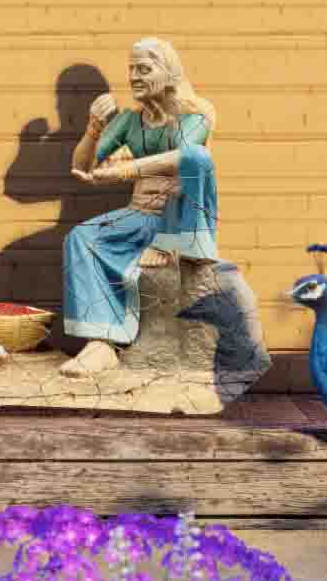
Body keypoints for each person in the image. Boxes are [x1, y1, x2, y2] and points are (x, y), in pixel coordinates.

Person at [57, 37, 221, 377]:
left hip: (181, 218)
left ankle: (179, 246)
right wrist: (93, 128)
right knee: (81, 237)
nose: (133, 77)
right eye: (131, 69)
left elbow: (184, 156)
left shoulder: (197, 113)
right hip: (141, 214)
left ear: (169, 72)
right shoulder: (132, 121)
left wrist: (125, 170)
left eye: (143, 69)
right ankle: (102, 343)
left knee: (198, 158)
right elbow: (81, 167)